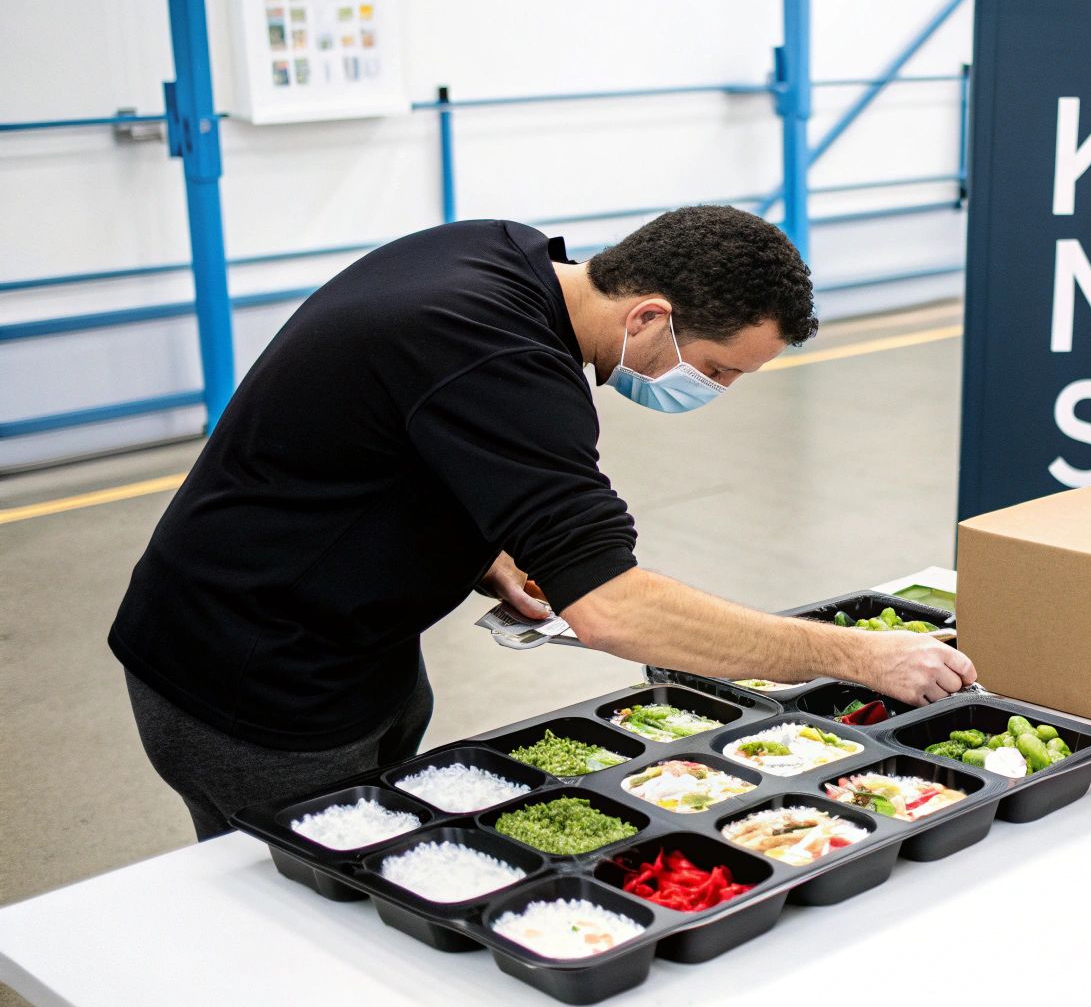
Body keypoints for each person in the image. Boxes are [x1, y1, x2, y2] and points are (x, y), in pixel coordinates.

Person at [110, 206, 975, 840]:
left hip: (352, 648)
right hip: (248, 682)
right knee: (296, 913)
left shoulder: (497, 254)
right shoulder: (506, 362)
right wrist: (859, 655)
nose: (714, 392)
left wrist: (486, 548)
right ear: (647, 317)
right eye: (715, 369)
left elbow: (394, 430)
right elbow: (614, 610)